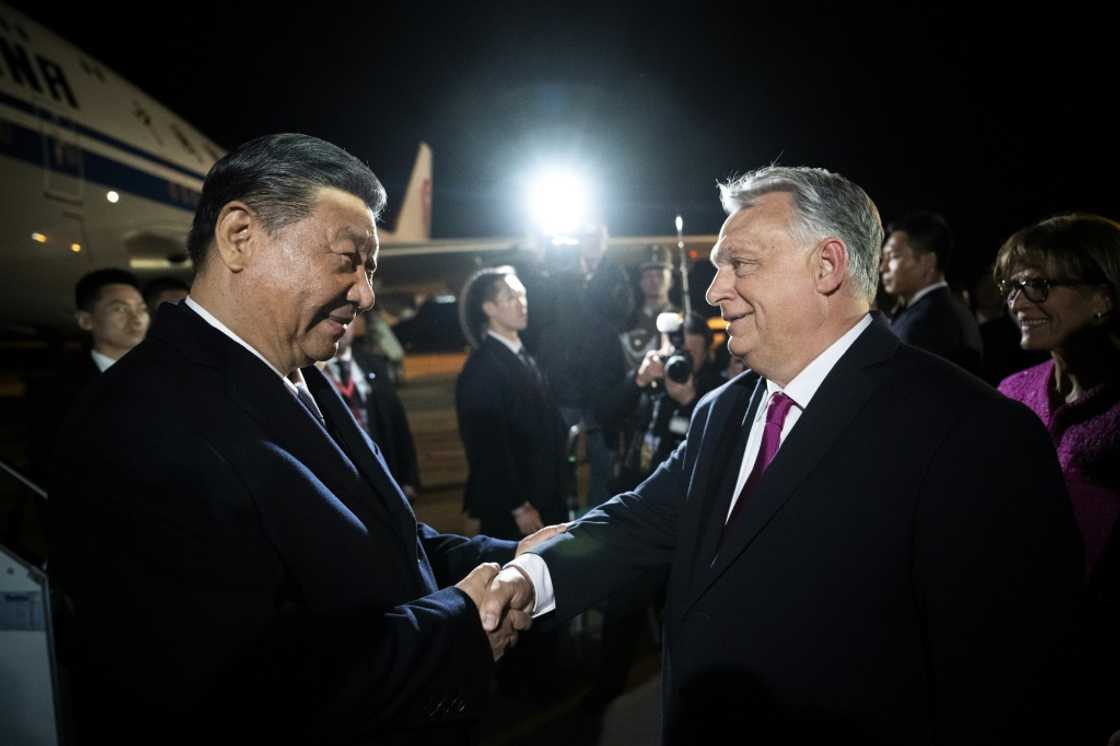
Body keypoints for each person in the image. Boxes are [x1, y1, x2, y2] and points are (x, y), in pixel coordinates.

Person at [483, 166, 1082, 745]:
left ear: (826, 266)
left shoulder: (972, 432)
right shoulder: (720, 411)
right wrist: (531, 577)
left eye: (740, 265)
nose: (715, 290)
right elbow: (642, 520)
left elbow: (1004, 687)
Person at [48, 134, 561, 745]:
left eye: (370, 270)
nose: (366, 295)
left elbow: (385, 542)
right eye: (347, 260)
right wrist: (457, 626)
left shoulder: (296, 374)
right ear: (240, 236)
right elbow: (239, 695)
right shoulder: (135, 425)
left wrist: (514, 556)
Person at [993, 213, 1119, 744]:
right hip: (1006, 647)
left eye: (1038, 285)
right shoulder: (1012, 392)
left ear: (1103, 297)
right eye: (1012, 286)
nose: (1018, 301)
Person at [455, 266, 569, 540]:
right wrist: (517, 506)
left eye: (523, 295)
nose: (522, 303)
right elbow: (486, 445)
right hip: (516, 509)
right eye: (511, 297)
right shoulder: (482, 369)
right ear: (489, 308)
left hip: (545, 494)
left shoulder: (523, 356)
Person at [25, 268, 149, 482]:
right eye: (120, 308)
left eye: (141, 308)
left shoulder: (170, 376)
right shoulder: (55, 391)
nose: (136, 318)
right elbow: (47, 465)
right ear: (85, 320)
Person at [323, 318, 421, 500]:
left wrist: (409, 478)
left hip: (384, 481)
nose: (341, 325)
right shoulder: (309, 376)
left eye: (346, 318)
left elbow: (398, 424)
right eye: (331, 317)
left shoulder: (375, 365)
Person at [880, 210, 984, 374]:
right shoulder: (949, 310)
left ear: (927, 262)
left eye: (893, 256)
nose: (883, 267)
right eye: (883, 258)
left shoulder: (927, 322)